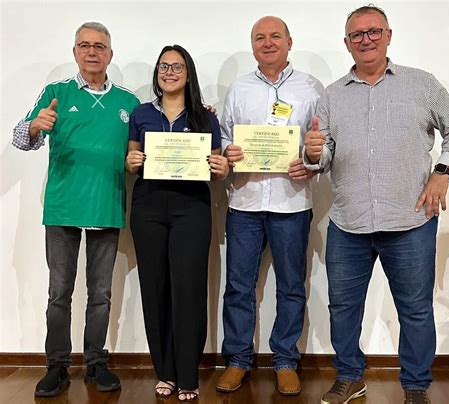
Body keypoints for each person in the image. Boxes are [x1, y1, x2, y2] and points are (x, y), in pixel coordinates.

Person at [304, 5, 449, 404]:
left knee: (414, 309)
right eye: (356, 35)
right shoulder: (331, 95)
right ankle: (349, 376)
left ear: (388, 35)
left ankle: (416, 387)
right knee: (343, 307)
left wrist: (444, 171)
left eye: (373, 31)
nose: (365, 40)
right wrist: (313, 152)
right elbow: (323, 155)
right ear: (346, 44)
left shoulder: (421, 84)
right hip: (350, 222)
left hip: (411, 219)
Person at [12, 22, 140, 397]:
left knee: (100, 293)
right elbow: (22, 139)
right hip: (63, 208)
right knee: (59, 293)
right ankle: (57, 366)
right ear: (74, 52)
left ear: (110, 55)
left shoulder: (128, 102)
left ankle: (96, 363)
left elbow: (158, 140)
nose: (92, 51)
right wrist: (35, 126)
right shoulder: (56, 92)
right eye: (84, 45)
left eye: (100, 46)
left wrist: (202, 116)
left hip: (107, 206)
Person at [216, 16, 325, 396]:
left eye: (274, 36)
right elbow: (226, 139)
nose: (267, 43)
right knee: (238, 286)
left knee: (292, 286)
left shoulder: (312, 88)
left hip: (292, 203)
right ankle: (238, 360)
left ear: (289, 42)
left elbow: (323, 143)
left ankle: (284, 361)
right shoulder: (238, 89)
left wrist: (312, 164)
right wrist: (229, 152)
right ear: (252, 46)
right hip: (244, 202)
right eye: (259, 37)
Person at [125, 44, 228, 402]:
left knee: (188, 290)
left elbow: (216, 167)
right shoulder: (140, 114)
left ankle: (188, 375)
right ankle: (164, 371)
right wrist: (132, 161)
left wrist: (221, 167)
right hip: (148, 207)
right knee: (155, 290)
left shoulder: (205, 117)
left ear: (188, 73)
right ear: (157, 72)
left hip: (191, 209)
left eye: (177, 67)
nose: (169, 72)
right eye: (164, 66)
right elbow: (129, 160)